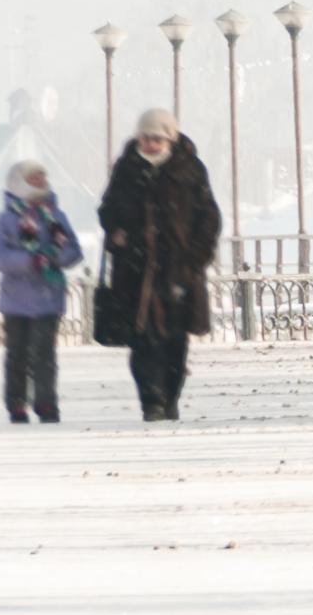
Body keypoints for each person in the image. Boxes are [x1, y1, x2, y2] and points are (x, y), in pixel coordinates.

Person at [94, 108, 221, 420]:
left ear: (169, 138)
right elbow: (107, 209)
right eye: (145, 137)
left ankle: (171, 396)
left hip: (178, 271)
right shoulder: (127, 168)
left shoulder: (189, 169)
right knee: (143, 341)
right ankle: (151, 401)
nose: (149, 143)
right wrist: (116, 233)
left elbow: (209, 218)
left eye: (156, 138)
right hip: (136, 272)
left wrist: (194, 258)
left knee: (175, 342)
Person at [0, 159, 83, 423]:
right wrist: (28, 262)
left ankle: (46, 404)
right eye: (34, 178)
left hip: (48, 297)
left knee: (44, 355)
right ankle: (16, 404)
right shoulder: (7, 219)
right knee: (16, 355)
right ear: (19, 182)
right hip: (16, 299)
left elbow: (73, 250)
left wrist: (56, 258)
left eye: (42, 177)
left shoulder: (55, 216)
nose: (41, 182)